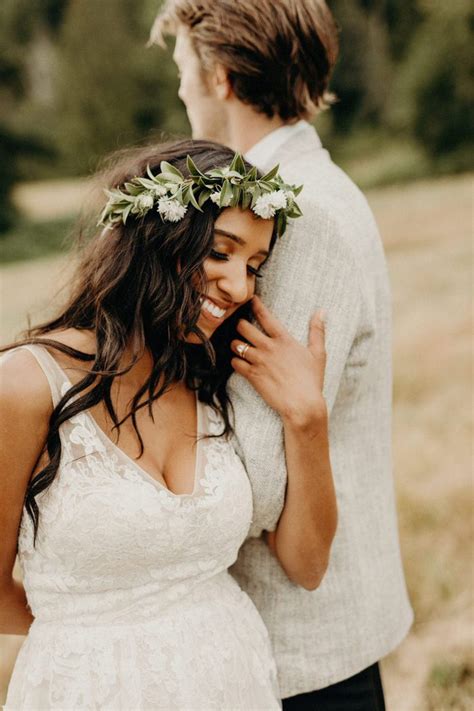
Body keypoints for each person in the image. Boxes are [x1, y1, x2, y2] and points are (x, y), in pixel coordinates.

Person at [0, 140, 335, 710]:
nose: (240, 287)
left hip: (233, 682)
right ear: (156, 241)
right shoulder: (23, 384)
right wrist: (94, 647)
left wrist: (307, 419)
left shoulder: (214, 381)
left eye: (254, 266)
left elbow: (307, 565)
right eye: (220, 253)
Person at [151, 1, 414, 708]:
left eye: (182, 68)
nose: (180, 89)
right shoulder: (295, 194)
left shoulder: (298, 213)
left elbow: (261, 475)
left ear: (222, 76)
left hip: (301, 656)